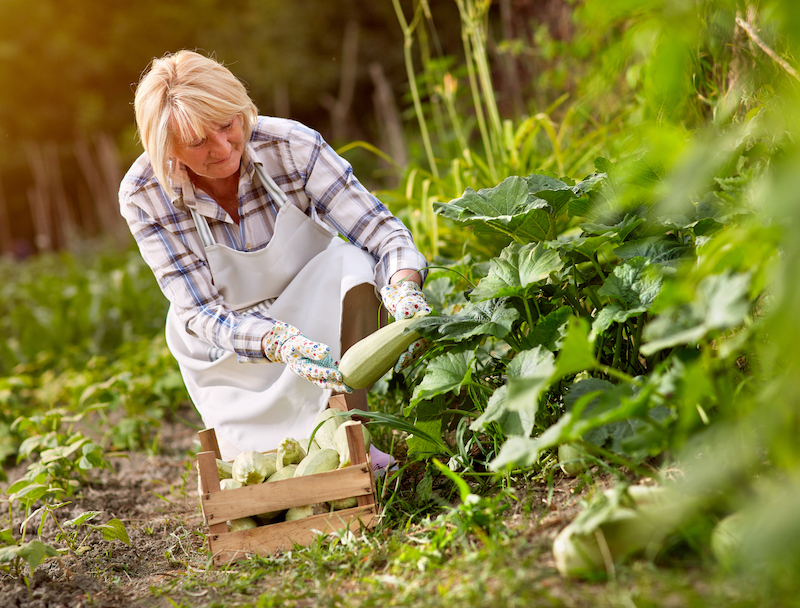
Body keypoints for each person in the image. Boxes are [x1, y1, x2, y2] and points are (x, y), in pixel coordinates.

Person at [118, 50, 430, 472]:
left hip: (311, 309)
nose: (223, 147)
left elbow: (381, 232)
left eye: (228, 125)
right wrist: (275, 341)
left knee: (352, 264)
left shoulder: (290, 145)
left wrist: (403, 285)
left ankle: (351, 427)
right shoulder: (144, 195)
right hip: (229, 345)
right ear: (167, 148)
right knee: (261, 470)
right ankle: (279, 441)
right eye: (197, 143)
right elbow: (202, 311)